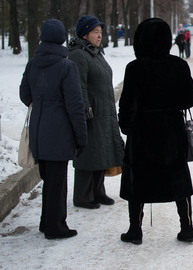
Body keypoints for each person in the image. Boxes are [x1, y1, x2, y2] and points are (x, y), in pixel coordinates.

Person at [118, 18, 193, 245]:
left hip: (142, 134)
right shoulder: (179, 65)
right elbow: (190, 99)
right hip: (172, 132)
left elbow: (126, 104)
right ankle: (187, 228)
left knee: (137, 179)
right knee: (178, 177)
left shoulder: (134, 68)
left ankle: (135, 230)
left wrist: (125, 126)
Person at [19, 19, 87, 239]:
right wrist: (81, 136)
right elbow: (75, 105)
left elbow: (24, 95)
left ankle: (46, 222)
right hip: (60, 131)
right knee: (58, 182)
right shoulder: (67, 66)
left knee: (49, 179)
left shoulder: (32, 64)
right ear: (61, 39)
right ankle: (55, 227)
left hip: (39, 130)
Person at [68, 15, 124, 209]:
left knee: (101, 151)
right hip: (91, 112)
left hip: (104, 110)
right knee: (88, 153)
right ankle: (83, 196)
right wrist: (85, 110)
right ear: (85, 34)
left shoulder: (95, 52)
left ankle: (98, 192)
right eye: (95, 32)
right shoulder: (78, 55)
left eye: (100, 32)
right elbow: (79, 86)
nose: (99, 35)